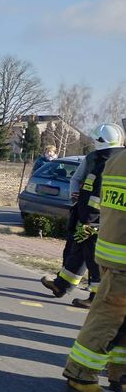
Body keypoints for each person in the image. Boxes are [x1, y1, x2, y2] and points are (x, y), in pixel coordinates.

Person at [61, 141, 126, 392]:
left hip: (112, 251)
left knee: (119, 320)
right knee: (108, 317)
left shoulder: (116, 160)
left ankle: (119, 374)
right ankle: (81, 375)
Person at [41, 124, 126, 308]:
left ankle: (95, 296)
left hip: (95, 219)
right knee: (80, 249)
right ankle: (62, 284)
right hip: (94, 217)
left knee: (94, 255)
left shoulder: (103, 162)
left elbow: (97, 195)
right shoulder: (107, 159)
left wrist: (89, 221)